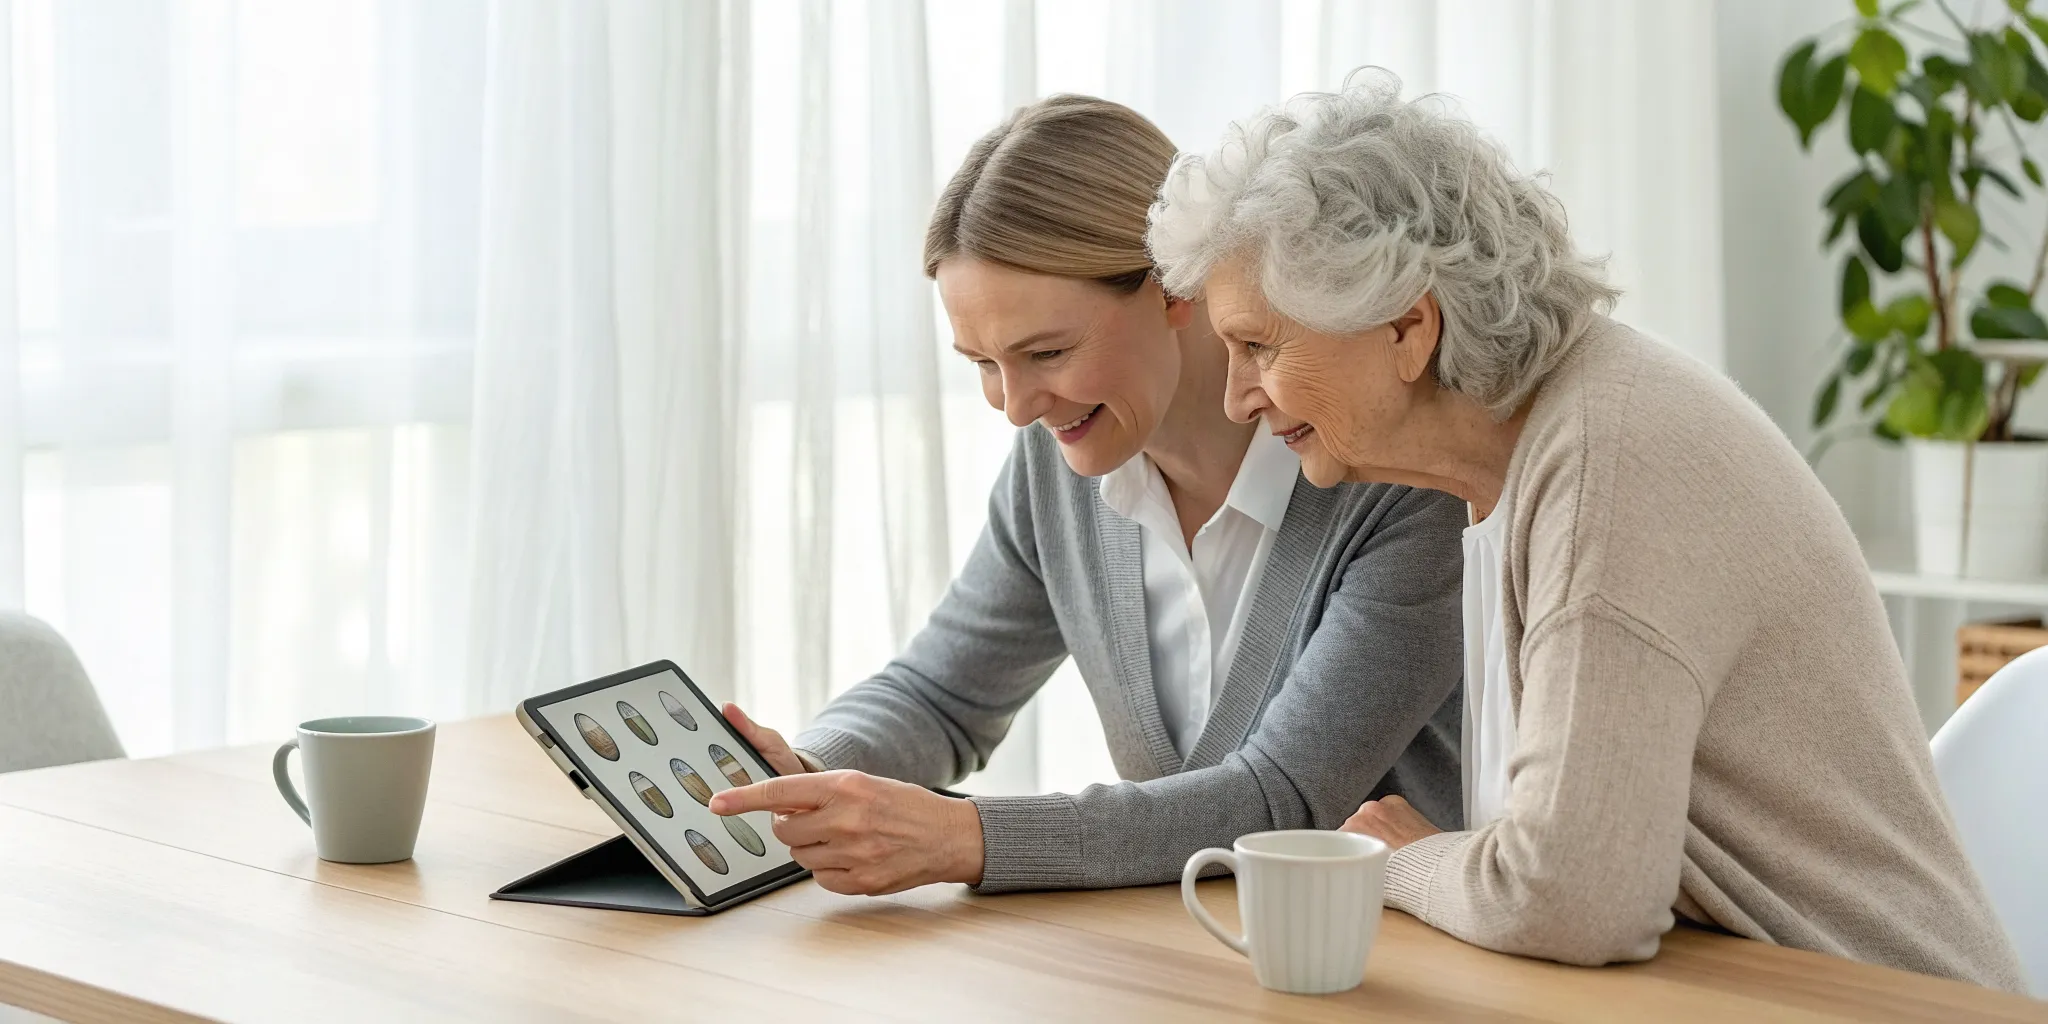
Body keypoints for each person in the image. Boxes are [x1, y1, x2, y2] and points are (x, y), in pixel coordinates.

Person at [1144, 74, 2027, 991]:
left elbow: (1569, 895)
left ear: (1408, 327)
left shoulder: (1607, 462)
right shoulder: (1512, 463)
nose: (1236, 396)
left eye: (1259, 347)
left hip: (1877, 1002)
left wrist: (1404, 857)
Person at [707, 94, 1467, 897]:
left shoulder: (1393, 476)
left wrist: (967, 837)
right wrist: (809, 768)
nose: (1015, 405)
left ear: (1179, 286)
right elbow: (943, 694)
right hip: (1182, 961)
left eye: (1047, 351)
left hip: (1391, 976)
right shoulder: (1058, 467)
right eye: (982, 364)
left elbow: (1283, 799)